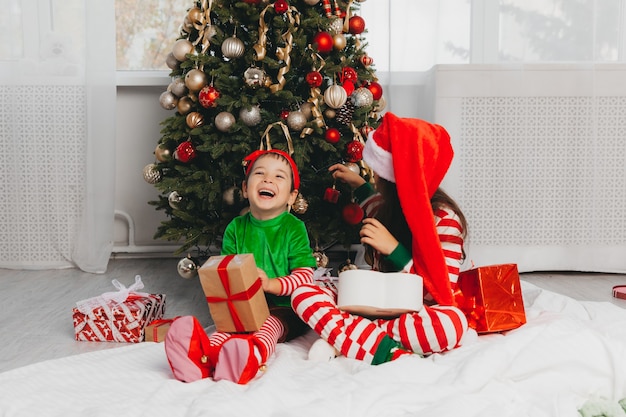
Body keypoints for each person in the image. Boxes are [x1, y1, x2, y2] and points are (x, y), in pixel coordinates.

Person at [291, 112, 469, 364]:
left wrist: (395, 251)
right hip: (367, 305)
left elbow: (441, 294)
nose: (374, 178)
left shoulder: (444, 219)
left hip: (412, 311)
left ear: (395, 181)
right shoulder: (385, 207)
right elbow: (372, 200)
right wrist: (358, 184)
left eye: (377, 174)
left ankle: (348, 340)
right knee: (303, 293)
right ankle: (373, 343)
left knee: (452, 324)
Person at [165, 149, 317, 384]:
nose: (268, 179)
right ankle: (199, 359)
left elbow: (305, 275)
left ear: (291, 196)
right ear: (246, 188)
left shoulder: (292, 227)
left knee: (267, 326)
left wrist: (272, 285)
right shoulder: (236, 228)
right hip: (244, 303)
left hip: (284, 308)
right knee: (226, 327)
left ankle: (250, 358)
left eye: (279, 177)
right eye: (259, 173)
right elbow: (226, 270)